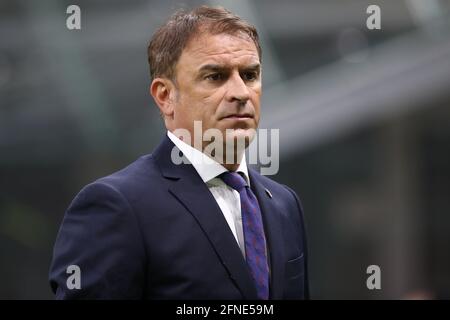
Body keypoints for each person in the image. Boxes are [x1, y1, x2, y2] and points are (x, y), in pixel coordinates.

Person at [49, 5, 309, 300]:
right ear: (165, 96)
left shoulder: (285, 204)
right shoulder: (116, 206)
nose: (241, 92)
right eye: (215, 76)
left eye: (250, 75)